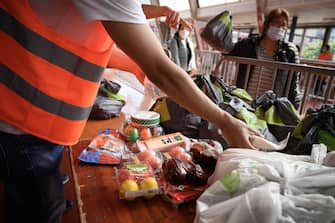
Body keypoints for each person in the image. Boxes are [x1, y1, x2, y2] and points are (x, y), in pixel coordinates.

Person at [0, 1, 261, 223]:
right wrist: (225, 121)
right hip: (18, 120)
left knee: (38, 193)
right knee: (40, 210)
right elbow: (162, 69)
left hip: (36, 120)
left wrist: (138, 63)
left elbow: (90, 39)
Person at [229, 8, 300, 108]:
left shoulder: (289, 51)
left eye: (283, 24)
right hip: (245, 100)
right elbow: (229, 50)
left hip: (269, 106)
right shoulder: (250, 44)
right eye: (275, 23)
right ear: (267, 24)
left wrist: (294, 106)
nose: (279, 27)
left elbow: (293, 82)